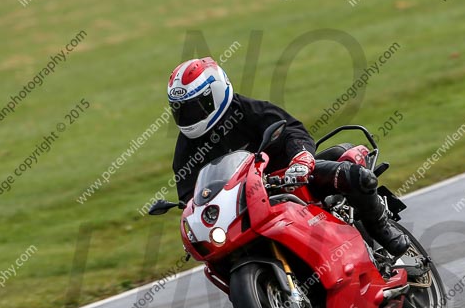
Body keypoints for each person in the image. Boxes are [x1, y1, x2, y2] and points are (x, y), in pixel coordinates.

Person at [168, 57, 408, 258]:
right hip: (244, 208)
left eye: (194, 107)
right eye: (180, 109)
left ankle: (381, 228)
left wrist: (301, 158)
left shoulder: (246, 110)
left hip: (288, 178)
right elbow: (190, 197)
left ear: (216, 92)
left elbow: (291, 129)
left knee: (357, 177)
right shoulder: (186, 149)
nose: (187, 116)